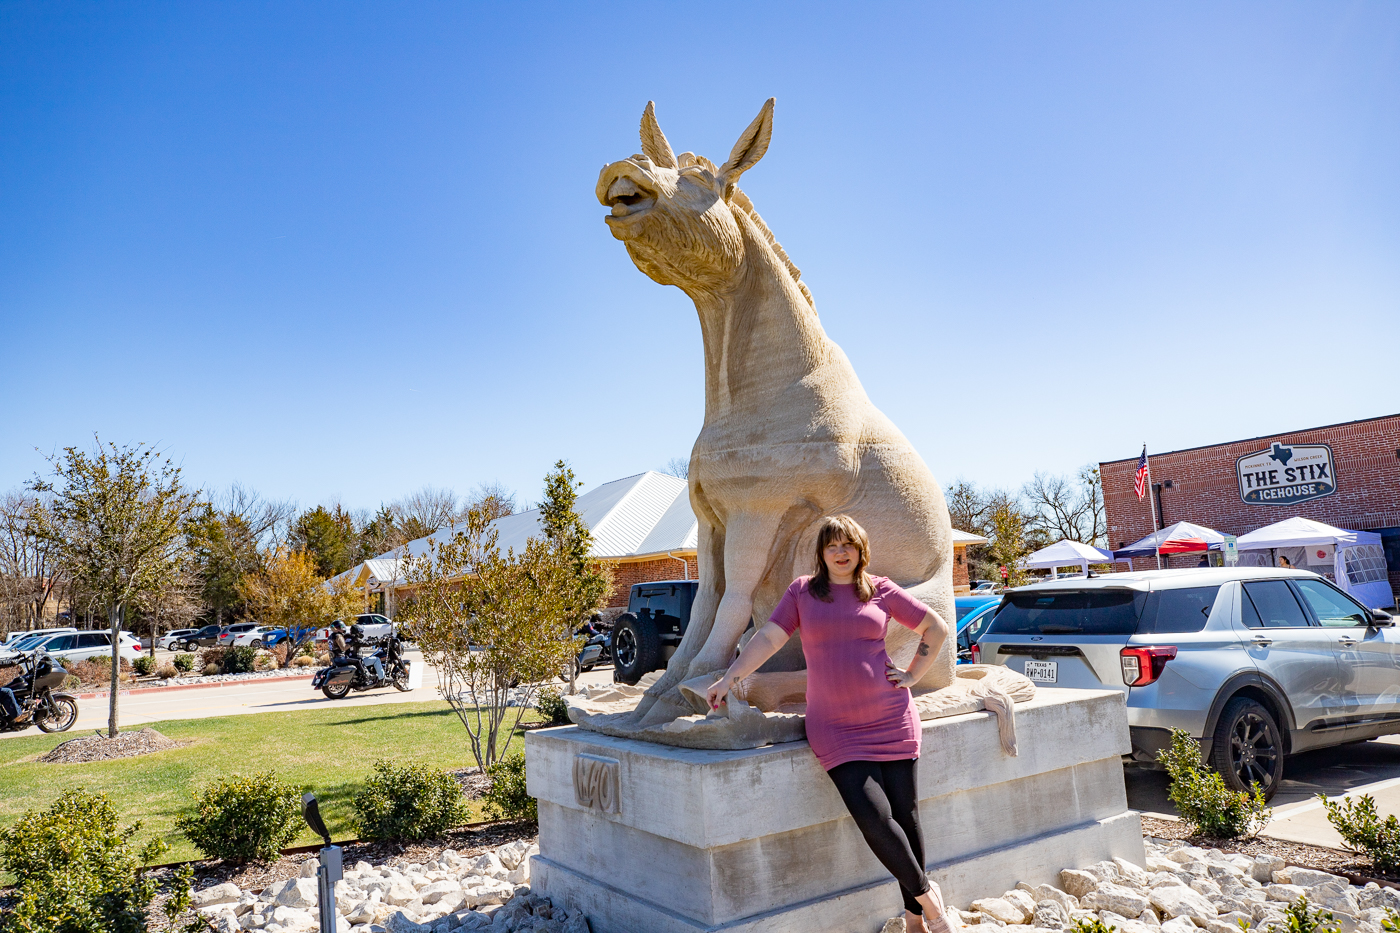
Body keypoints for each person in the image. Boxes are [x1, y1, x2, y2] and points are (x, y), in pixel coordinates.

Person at [707, 515, 952, 933]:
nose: (841, 553)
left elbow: (937, 627)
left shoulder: (881, 590)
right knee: (872, 816)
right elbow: (768, 637)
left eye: (849, 545)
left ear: (861, 550)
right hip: (835, 728)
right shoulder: (803, 592)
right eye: (832, 546)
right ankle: (930, 901)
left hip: (891, 719)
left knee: (906, 818)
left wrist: (911, 675)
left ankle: (914, 920)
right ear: (821, 554)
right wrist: (731, 677)